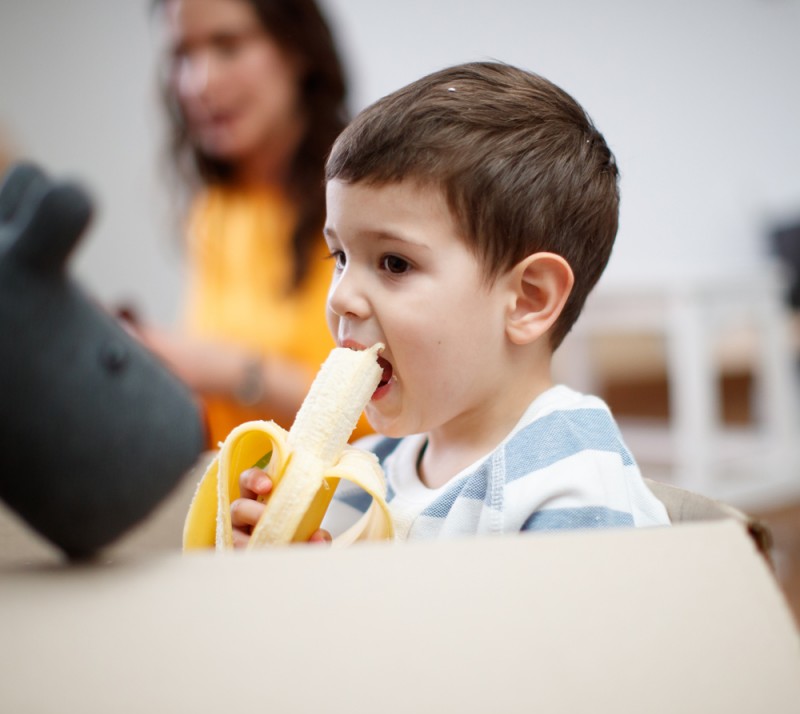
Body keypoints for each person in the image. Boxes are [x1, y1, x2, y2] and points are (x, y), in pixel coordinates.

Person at [230, 61, 670, 546]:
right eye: (340, 256)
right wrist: (280, 559)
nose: (341, 297)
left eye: (394, 263)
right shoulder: (365, 472)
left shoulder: (568, 478)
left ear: (528, 300)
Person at [142, 0, 370, 447]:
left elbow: (390, 415)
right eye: (182, 56)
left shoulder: (365, 199)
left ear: (298, 50)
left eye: (227, 46)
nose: (199, 83)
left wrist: (230, 370)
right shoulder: (214, 209)